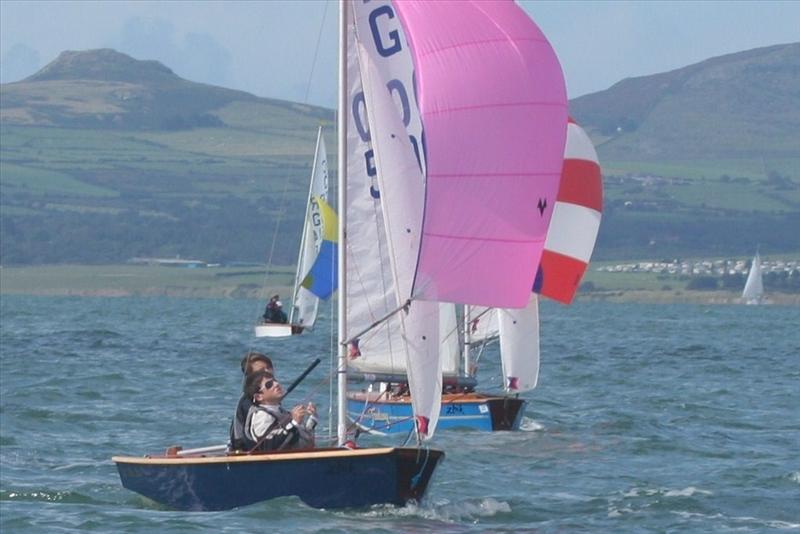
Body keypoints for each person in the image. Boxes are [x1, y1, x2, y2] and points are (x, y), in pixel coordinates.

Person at [243, 370, 317, 452]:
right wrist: (294, 423)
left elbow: (302, 439)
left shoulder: (280, 411)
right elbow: (269, 446)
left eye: (275, 381)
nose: (276, 384)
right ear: (258, 397)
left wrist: (312, 418)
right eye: (269, 385)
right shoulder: (261, 416)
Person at [229, 351, 274, 451]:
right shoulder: (247, 403)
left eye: (269, 367)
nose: (268, 372)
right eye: (262, 370)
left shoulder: (271, 397)